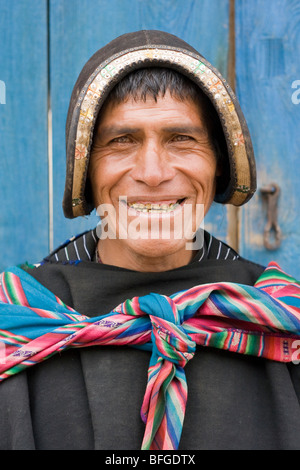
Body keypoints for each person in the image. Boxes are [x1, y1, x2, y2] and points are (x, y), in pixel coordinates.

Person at [0, 30, 300, 451]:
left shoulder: (277, 320)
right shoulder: (19, 322)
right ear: (87, 169)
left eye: (182, 139)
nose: (153, 172)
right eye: (122, 141)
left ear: (218, 164)